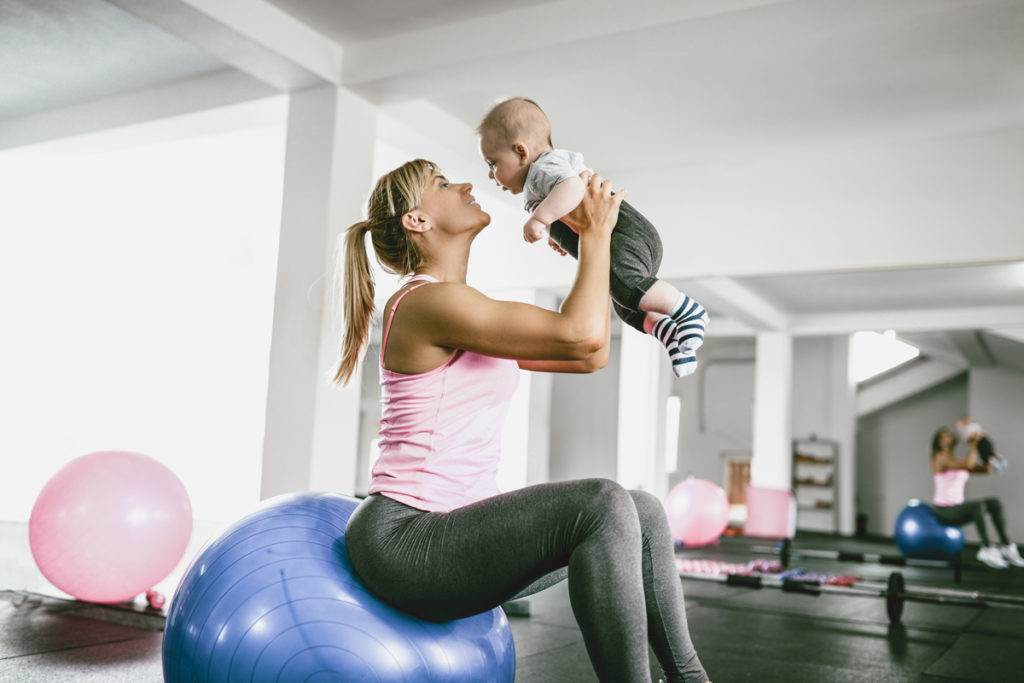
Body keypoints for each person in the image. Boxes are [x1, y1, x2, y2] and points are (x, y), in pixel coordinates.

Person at [335, 158, 711, 683]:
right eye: (443, 184)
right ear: (417, 221)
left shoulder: (468, 309)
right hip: (406, 541)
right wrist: (597, 234)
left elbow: (590, 352)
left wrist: (593, 244)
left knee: (642, 509)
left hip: (453, 535)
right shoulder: (425, 303)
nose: (465, 183)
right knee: (601, 503)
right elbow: (580, 334)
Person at [477, 97, 708, 378]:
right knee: (624, 304)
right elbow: (569, 209)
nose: (491, 175)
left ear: (521, 152)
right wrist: (556, 233)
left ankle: (690, 312)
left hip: (626, 233)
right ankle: (671, 335)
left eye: (493, 163)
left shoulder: (543, 169)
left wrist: (541, 219)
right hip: (620, 240)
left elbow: (572, 188)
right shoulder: (540, 178)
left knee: (626, 288)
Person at [929, 427, 1023, 569]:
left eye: (950, 433)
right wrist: (975, 442)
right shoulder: (940, 459)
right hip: (944, 512)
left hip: (957, 508)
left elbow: (985, 469)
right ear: (940, 443)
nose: (950, 436)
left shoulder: (957, 461)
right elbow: (968, 464)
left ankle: (1007, 546)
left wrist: (992, 458)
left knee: (994, 503)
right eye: (945, 435)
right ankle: (986, 548)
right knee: (977, 505)